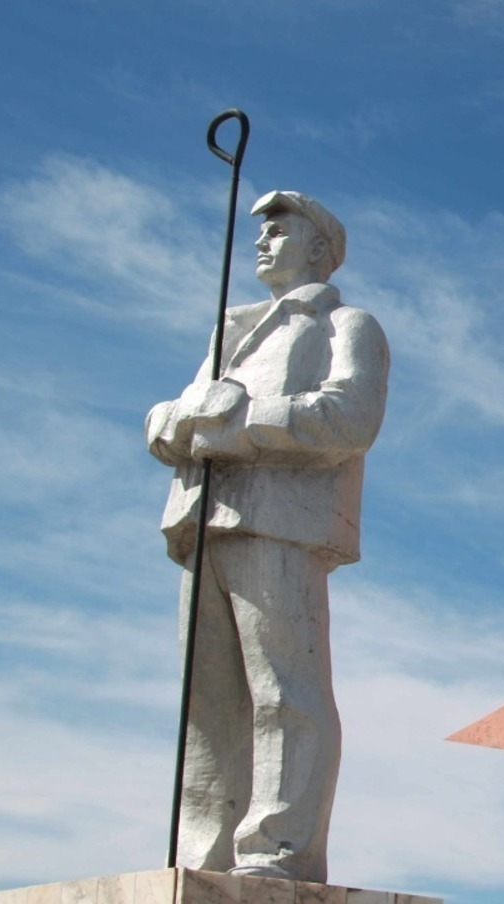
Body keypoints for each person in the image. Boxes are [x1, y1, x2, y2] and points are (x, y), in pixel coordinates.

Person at [145, 190, 389, 882]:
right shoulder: (231, 333)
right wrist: (176, 419)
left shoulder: (346, 325)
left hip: (280, 522)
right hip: (204, 521)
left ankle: (279, 848)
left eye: (280, 229)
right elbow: (172, 421)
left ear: (319, 247)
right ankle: (204, 852)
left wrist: (244, 423)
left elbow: (349, 418)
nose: (262, 240)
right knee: (207, 702)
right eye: (261, 230)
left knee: (284, 690)